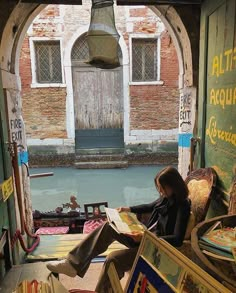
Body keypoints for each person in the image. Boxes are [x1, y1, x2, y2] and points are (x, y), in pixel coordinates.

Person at [46, 166, 191, 292]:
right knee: (109, 226)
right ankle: (72, 264)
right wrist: (128, 209)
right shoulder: (166, 198)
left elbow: (177, 240)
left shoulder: (182, 206)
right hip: (144, 236)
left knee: (113, 259)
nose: (160, 191)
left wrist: (146, 238)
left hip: (155, 248)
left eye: (162, 187)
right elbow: (150, 206)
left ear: (173, 185)